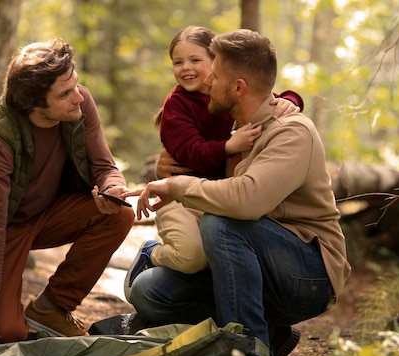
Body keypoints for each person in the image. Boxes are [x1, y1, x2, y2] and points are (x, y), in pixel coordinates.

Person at [123, 29, 351, 356]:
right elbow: (194, 147)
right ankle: (270, 334)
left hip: (308, 272)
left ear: (238, 87)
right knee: (150, 291)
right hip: (250, 260)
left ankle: (247, 355)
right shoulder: (234, 129)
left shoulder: (292, 132)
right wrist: (168, 167)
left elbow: (245, 201)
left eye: (213, 77)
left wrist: (177, 187)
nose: (205, 83)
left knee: (222, 222)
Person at [0, 39, 135, 347]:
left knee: (119, 215)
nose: (79, 96)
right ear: (35, 104)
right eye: (65, 93)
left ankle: (52, 308)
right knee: (8, 332)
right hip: (6, 228)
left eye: (75, 83)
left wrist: (113, 187)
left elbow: (105, 165)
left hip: (49, 213)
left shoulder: (80, 103)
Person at [124, 26, 303, 300]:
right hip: (179, 199)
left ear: (216, 62)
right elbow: (189, 152)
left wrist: (291, 101)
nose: (186, 68)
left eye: (196, 60)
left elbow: (263, 94)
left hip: (217, 199)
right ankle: (152, 254)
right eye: (178, 62)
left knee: (219, 253)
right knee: (192, 257)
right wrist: (228, 146)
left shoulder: (228, 91)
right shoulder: (177, 106)